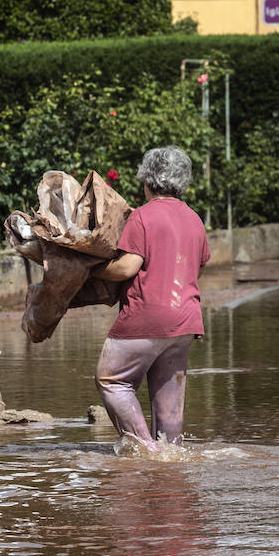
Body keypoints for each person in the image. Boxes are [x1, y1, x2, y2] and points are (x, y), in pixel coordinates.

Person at [91, 146, 210, 450]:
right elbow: (198, 263)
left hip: (146, 318)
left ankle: (146, 450)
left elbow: (128, 266)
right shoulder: (195, 219)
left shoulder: (143, 217)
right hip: (185, 321)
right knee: (169, 405)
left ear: (148, 178)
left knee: (111, 379)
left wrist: (92, 271)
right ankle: (169, 460)